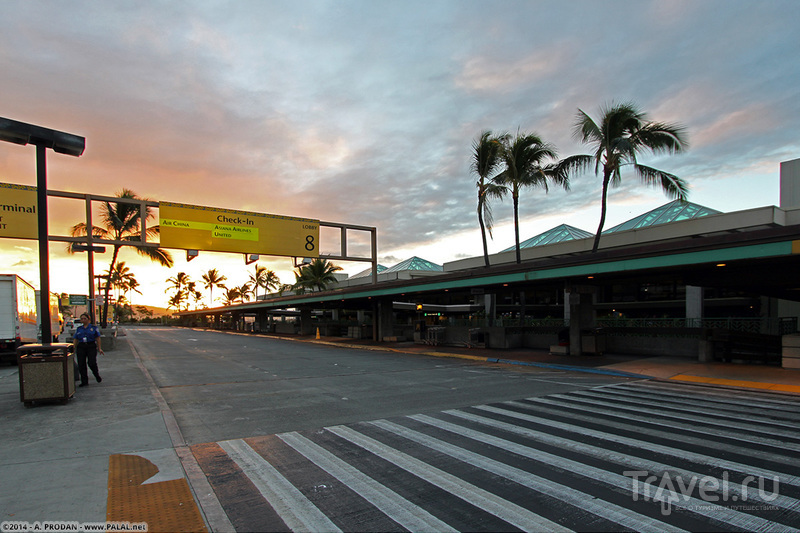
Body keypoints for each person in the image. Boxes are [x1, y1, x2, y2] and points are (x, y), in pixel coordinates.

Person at [74, 312, 103, 387]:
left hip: (91, 345)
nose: (83, 320)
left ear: (88, 320)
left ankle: (96, 375)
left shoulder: (93, 328)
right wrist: (74, 348)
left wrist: (99, 348)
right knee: (81, 364)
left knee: (91, 362)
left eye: (85, 319)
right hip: (81, 346)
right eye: (82, 319)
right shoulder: (79, 329)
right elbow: (76, 339)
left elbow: (98, 338)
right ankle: (84, 381)